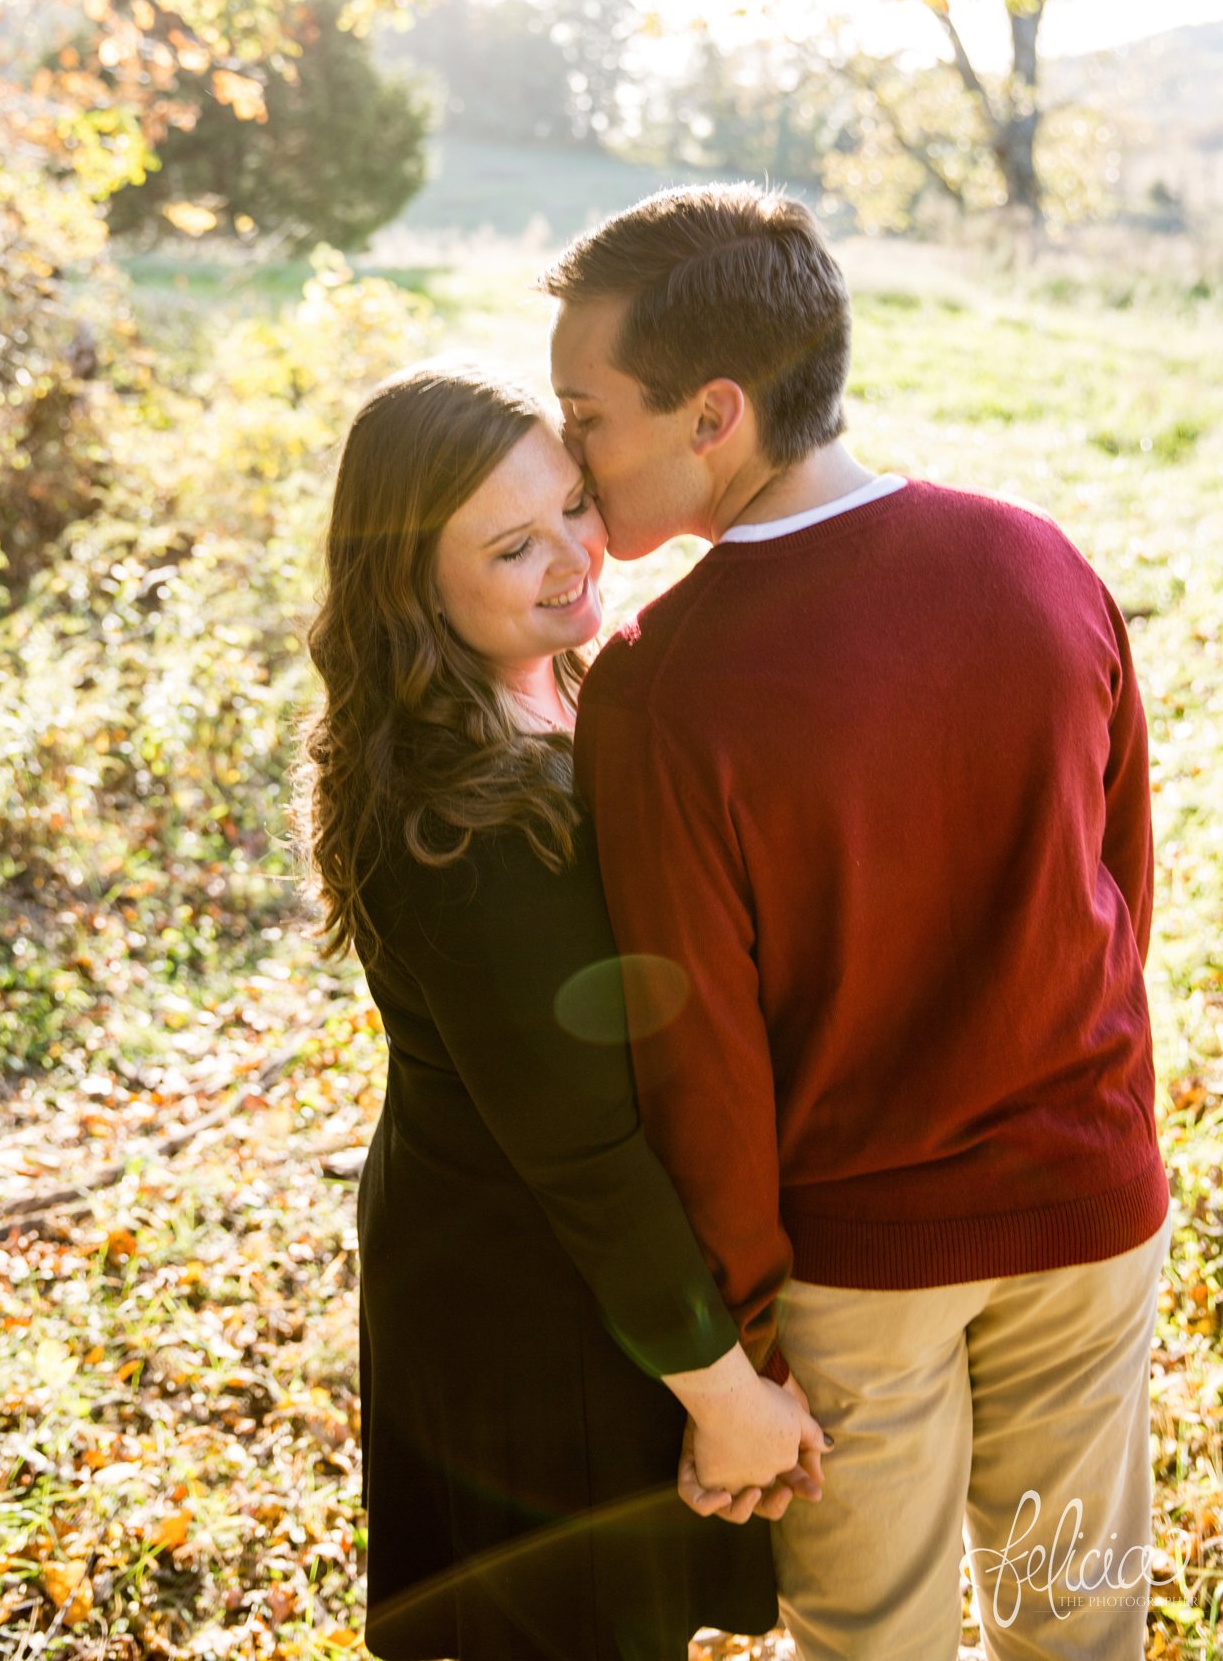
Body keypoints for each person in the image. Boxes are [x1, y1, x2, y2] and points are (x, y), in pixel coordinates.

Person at [544, 184, 1173, 1661]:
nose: (568, 460)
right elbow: (1115, 889)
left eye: (586, 417)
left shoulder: (661, 683)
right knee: (1073, 1628)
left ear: (713, 415)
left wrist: (740, 1357)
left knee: (869, 1643)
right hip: (1087, 1208)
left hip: (856, 1277)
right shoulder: (1039, 560)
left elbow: (694, 1054)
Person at [292, 366, 826, 1661]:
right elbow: (580, 1150)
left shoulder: (551, 689)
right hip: (522, 1297)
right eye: (512, 544)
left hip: (555, 1259)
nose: (573, 555)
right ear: (413, 584)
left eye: (575, 505)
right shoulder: (453, 826)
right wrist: (725, 1393)